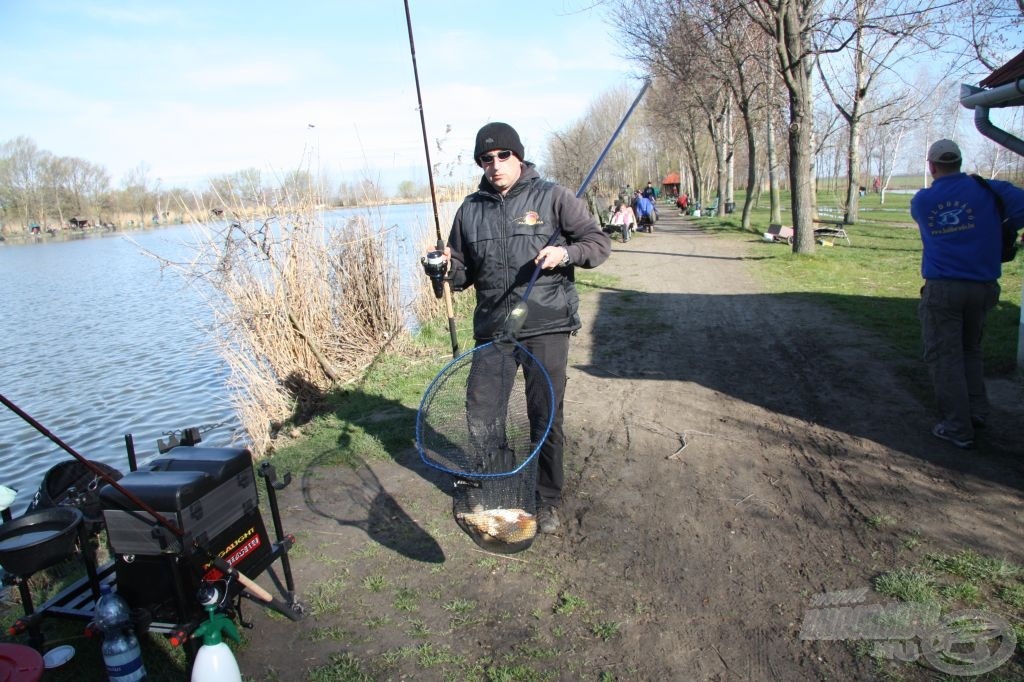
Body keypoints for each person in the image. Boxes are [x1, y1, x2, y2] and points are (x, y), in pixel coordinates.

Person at [433, 122, 611, 532]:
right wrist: (444, 268)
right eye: (486, 159)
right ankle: (494, 483)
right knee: (482, 411)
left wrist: (564, 253)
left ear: (518, 156)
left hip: (546, 325)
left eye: (502, 156)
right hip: (495, 328)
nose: (494, 165)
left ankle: (547, 498)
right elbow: (461, 275)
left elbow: (597, 245)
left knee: (545, 414)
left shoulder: (554, 197)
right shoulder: (470, 210)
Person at [910, 138, 1024, 449]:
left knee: (945, 357)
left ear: (932, 166)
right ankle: (976, 411)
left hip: (944, 289)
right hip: (984, 288)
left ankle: (956, 426)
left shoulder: (922, 201)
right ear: (960, 162)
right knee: (970, 351)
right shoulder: (990, 190)